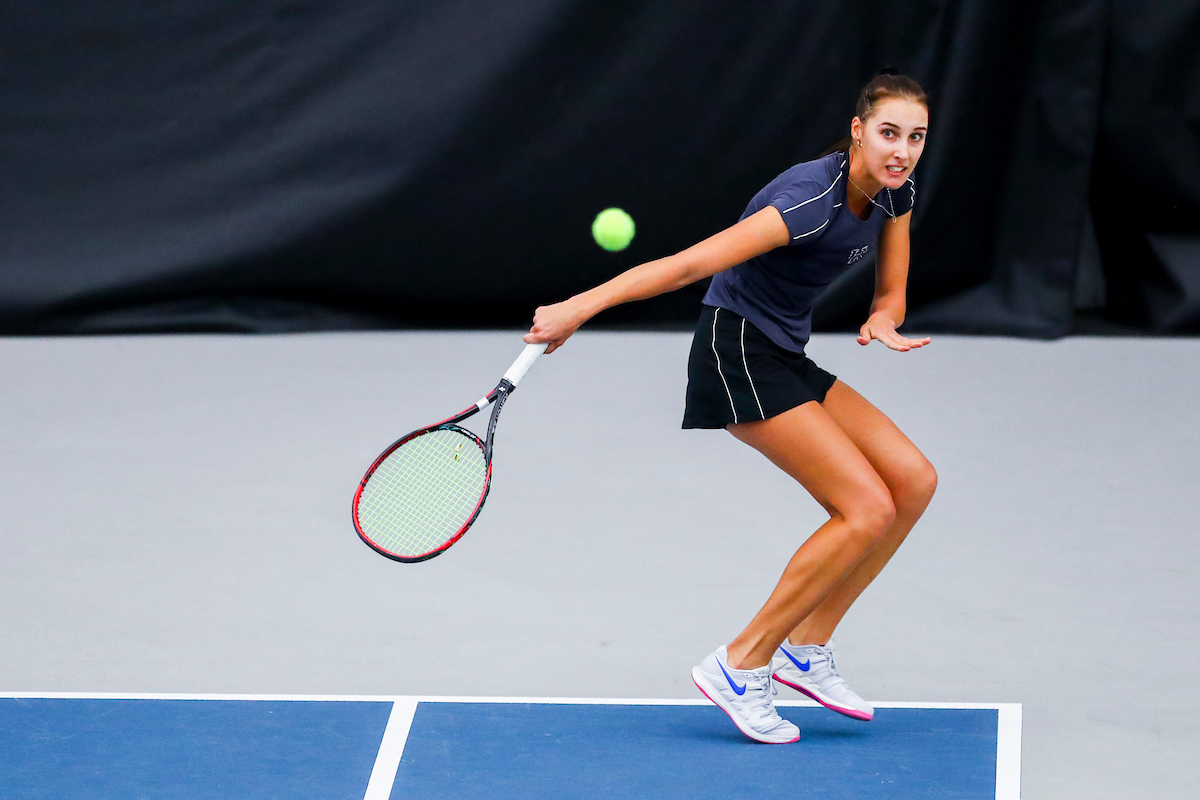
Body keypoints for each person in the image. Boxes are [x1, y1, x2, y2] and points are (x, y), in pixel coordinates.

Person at [524, 70, 937, 744]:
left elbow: (891, 289)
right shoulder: (808, 201)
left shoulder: (896, 192)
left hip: (784, 354)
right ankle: (741, 664)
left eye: (916, 137)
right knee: (865, 508)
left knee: (913, 482)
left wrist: (886, 319)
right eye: (890, 133)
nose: (903, 150)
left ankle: (809, 645)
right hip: (735, 351)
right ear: (858, 130)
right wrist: (578, 307)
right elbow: (688, 266)